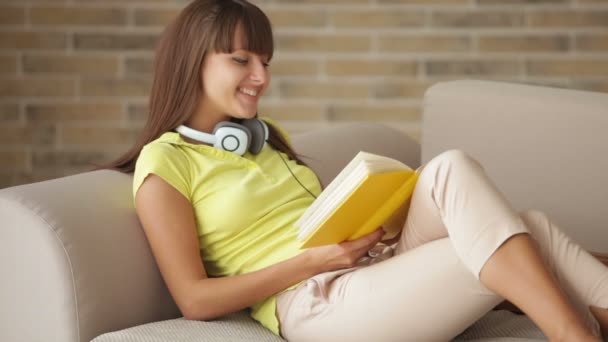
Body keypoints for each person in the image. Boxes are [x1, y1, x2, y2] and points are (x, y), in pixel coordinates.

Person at [103, 0, 608, 340]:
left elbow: (315, 225)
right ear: (194, 63)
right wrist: (315, 262)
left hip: (363, 268)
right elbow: (193, 299)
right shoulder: (166, 162)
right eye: (241, 60)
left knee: (460, 175)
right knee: (490, 243)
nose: (261, 76)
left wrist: (370, 228)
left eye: (265, 61)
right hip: (313, 302)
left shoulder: (262, 138)